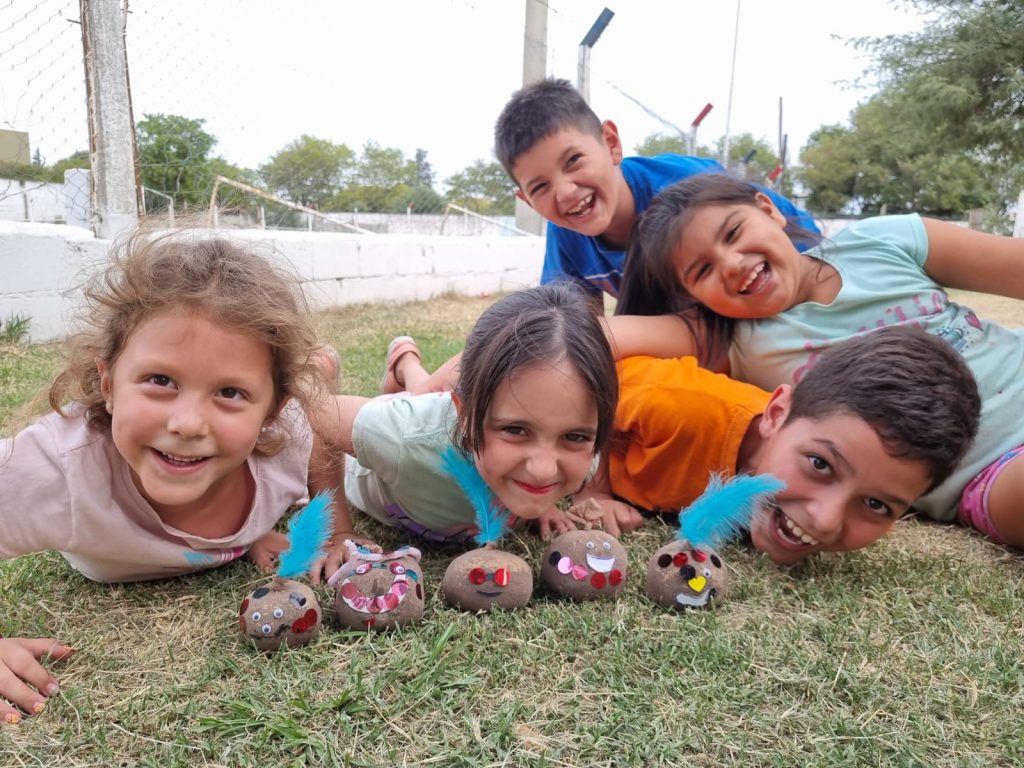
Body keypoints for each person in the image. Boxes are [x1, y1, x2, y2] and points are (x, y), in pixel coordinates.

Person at [0, 230, 354, 724]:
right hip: (101, 557)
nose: (187, 423)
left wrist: (339, 532)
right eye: (160, 381)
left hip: (261, 490)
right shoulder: (58, 470)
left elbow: (321, 434)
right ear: (108, 383)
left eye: (229, 392)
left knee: (319, 386)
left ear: (273, 409)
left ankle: (320, 364)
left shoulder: (289, 433)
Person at [614, 172, 1024, 548]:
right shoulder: (729, 341)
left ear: (768, 209)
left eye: (734, 232)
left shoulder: (883, 241)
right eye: (702, 271)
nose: (733, 263)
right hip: (994, 470)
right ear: (695, 298)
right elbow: (592, 336)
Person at [379, 78, 818, 395]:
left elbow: (798, 255)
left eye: (573, 162)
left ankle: (411, 374)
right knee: (547, 343)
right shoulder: (566, 236)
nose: (566, 192)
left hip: (753, 316)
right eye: (541, 187)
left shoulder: (689, 192)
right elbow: (569, 331)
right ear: (526, 201)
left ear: (611, 143)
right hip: (695, 331)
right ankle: (417, 379)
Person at [578, 325, 981, 564]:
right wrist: (599, 490)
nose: (825, 520)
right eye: (821, 465)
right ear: (776, 414)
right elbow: (590, 392)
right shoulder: (686, 409)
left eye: (876, 505)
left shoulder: (790, 490)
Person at [310, 282, 632, 549]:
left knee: (426, 391)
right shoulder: (404, 439)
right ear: (464, 416)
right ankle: (396, 361)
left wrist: (541, 503)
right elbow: (318, 415)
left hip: (450, 407)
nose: (543, 470)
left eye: (573, 437)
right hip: (389, 456)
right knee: (419, 398)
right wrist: (336, 533)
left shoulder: (584, 456)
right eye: (516, 430)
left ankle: (406, 362)